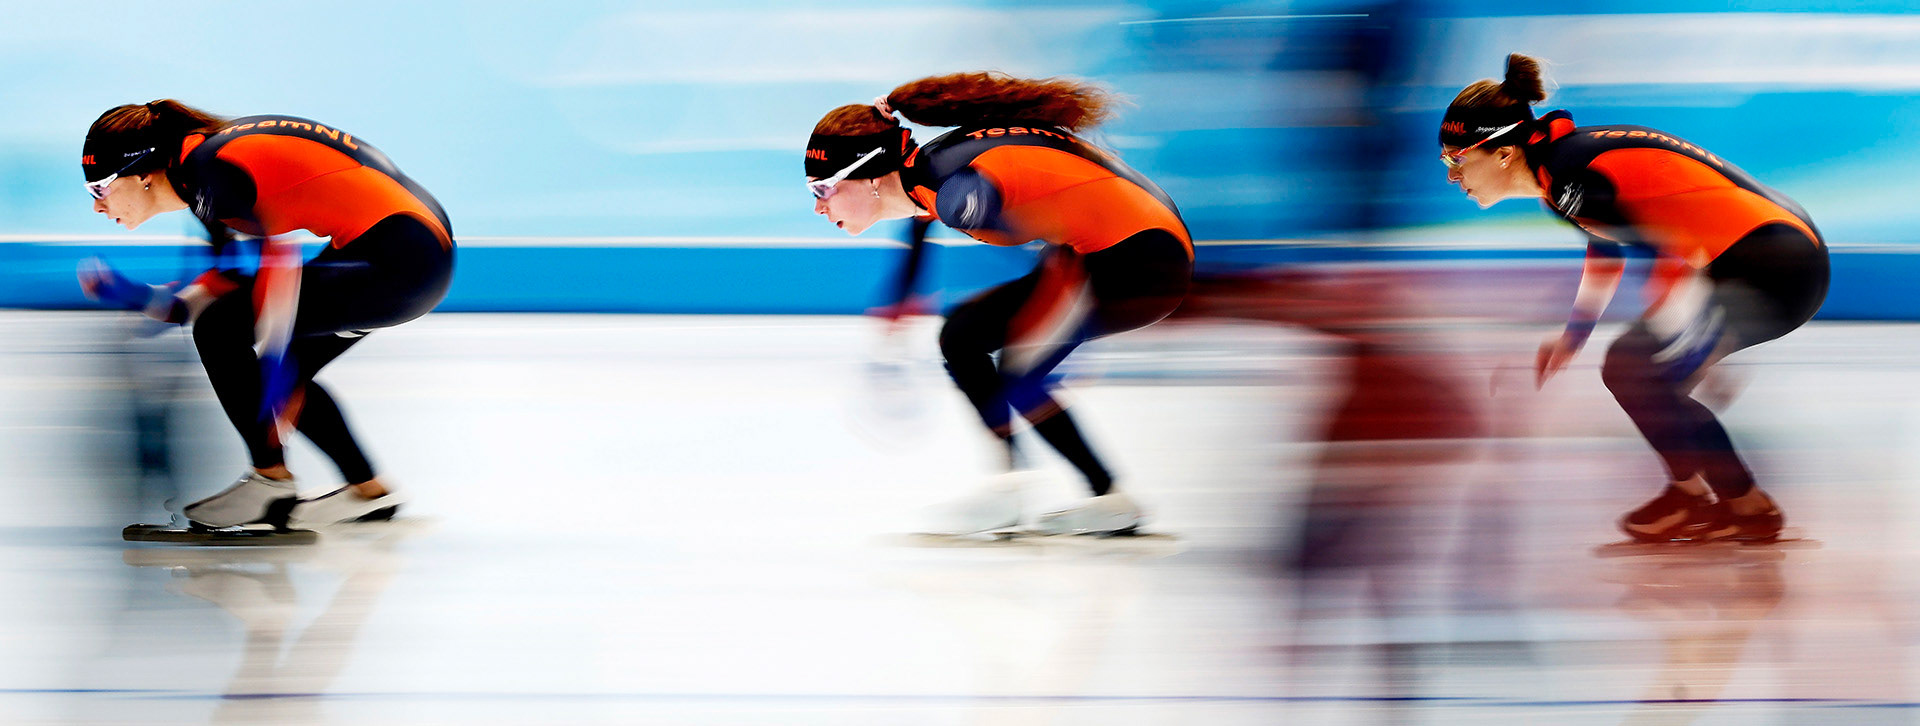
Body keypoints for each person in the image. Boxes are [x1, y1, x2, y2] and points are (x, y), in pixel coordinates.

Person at [1440, 55, 1828, 542]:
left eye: (1456, 159)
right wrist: (1573, 337)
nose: (1453, 176)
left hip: (1773, 264)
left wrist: (1701, 350)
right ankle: (1691, 495)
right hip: (1763, 253)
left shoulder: (1570, 176)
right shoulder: (1561, 174)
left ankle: (1746, 507)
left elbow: (1670, 247)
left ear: (1500, 152)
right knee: (1634, 368)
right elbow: (1609, 247)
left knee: (1643, 373)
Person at [806, 72, 1194, 535]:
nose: (819, 207)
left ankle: (1110, 497)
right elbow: (924, 220)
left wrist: (1039, 335)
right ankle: (1010, 488)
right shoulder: (929, 176)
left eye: (822, 189)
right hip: (1111, 243)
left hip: (1141, 258)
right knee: (963, 336)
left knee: (1021, 371)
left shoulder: (958, 191)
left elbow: (1042, 231)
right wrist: (902, 300)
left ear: (867, 175)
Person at [78, 100, 455, 529]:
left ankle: (270, 484)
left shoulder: (210, 173)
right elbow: (225, 285)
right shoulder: (200, 170)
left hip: (399, 260)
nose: (97, 206)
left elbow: (274, 274)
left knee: (224, 329)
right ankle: (368, 492)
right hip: (407, 254)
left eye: (99, 189)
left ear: (142, 174)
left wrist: (271, 371)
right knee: (268, 356)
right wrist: (140, 298)